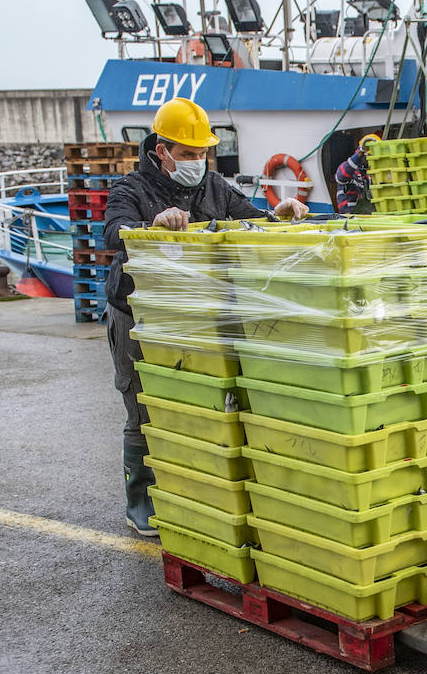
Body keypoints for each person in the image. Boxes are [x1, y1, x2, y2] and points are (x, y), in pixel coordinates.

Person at [103, 97, 308, 536]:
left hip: (195, 313)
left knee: (193, 400)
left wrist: (279, 218)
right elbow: (113, 232)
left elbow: (251, 224)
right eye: (188, 154)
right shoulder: (131, 189)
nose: (197, 162)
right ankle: (139, 499)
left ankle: (189, 491)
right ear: (162, 151)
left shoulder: (213, 187)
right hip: (139, 310)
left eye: (202, 154)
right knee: (140, 402)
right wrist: (153, 224)